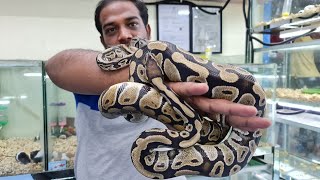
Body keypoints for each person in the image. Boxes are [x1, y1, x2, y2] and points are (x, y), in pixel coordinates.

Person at [45, 0, 271, 179]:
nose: (124, 35)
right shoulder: (87, 80)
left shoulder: (182, 70)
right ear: (103, 41)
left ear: (147, 30)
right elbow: (56, 66)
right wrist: (154, 78)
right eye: (111, 29)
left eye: (131, 24)